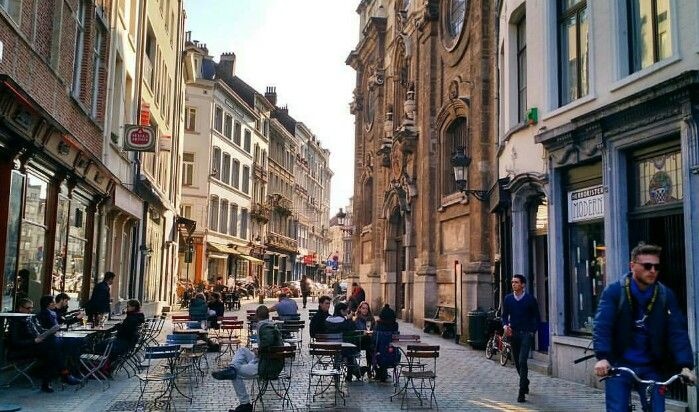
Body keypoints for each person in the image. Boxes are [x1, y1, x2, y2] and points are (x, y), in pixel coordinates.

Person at [593, 243, 695, 411]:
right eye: (647, 266)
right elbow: (602, 325)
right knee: (617, 408)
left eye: (657, 266)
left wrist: (685, 365)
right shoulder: (614, 292)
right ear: (632, 266)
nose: (653, 270)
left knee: (656, 409)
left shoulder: (664, 295)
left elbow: (677, 331)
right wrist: (602, 357)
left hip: (651, 366)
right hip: (619, 364)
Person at [211, 305, 284, 412]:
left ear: (257, 315)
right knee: (242, 350)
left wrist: (259, 351)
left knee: (235, 373)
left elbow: (268, 340)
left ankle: (245, 404)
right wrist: (259, 352)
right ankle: (232, 368)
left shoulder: (265, 326)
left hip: (267, 366)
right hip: (266, 360)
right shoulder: (270, 324)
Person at [9, 298, 80, 392]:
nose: (30, 310)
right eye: (28, 308)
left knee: (58, 345)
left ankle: (54, 379)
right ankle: (62, 375)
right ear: (20, 308)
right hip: (22, 349)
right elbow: (15, 342)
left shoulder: (30, 318)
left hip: (36, 345)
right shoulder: (15, 322)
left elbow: (39, 330)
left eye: (32, 308)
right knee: (52, 349)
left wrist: (48, 333)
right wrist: (34, 341)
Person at [502, 274, 540, 403]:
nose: (513, 284)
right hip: (514, 334)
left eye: (516, 282)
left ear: (523, 285)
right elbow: (504, 316)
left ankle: (521, 392)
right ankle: (526, 381)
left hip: (526, 334)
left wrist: (532, 332)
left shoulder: (530, 299)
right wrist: (505, 326)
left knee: (523, 360)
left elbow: (537, 317)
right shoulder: (508, 299)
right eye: (512, 282)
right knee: (517, 363)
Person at [325, 302, 360, 381]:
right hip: (343, 348)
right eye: (345, 311)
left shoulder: (328, 320)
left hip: (329, 347)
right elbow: (352, 329)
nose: (346, 312)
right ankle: (350, 375)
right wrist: (349, 319)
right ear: (341, 311)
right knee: (351, 352)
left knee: (345, 351)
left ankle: (340, 371)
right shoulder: (344, 322)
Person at [372, 304, 400, 382]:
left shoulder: (378, 325)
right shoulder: (395, 325)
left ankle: (377, 372)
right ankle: (382, 372)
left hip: (379, 355)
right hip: (393, 355)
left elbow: (375, 340)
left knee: (372, 349)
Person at [353, 301, 375, 378]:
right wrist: (362, 333)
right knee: (370, 345)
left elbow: (374, 330)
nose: (365, 310)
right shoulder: (356, 320)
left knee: (371, 347)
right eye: (363, 308)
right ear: (360, 309)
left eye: (366, 309)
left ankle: (369, 368)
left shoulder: (371, 319)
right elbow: (355, 331)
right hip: (359, 341)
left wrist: (372, 333)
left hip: (368, 340)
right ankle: (361, 369)